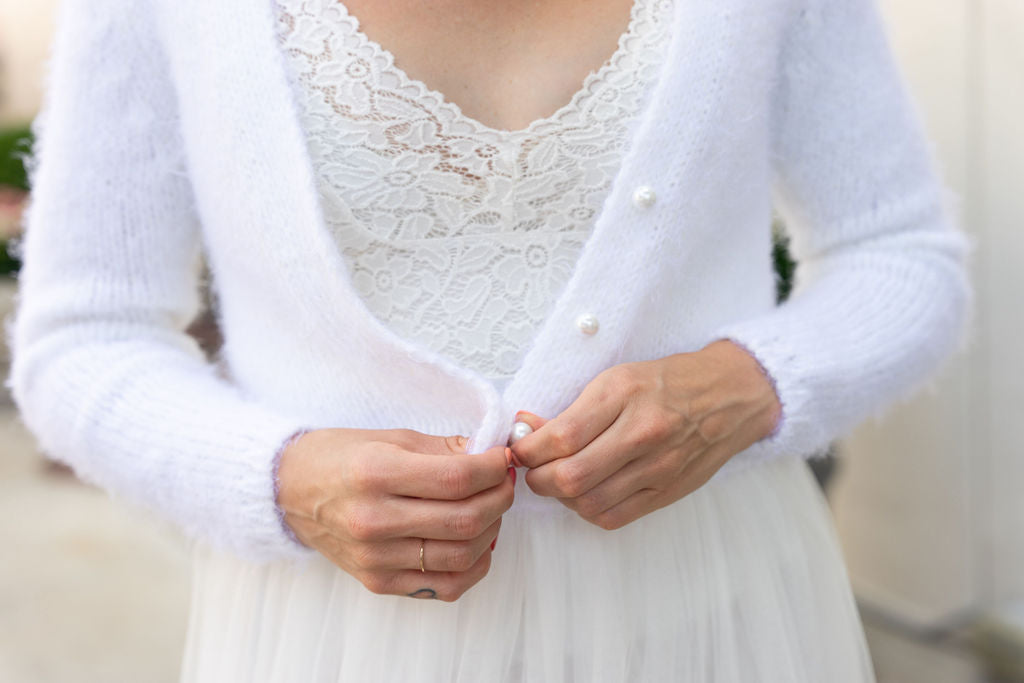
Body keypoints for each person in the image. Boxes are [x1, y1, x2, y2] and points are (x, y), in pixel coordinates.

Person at [7, 0, 971, 680]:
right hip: (341, 640)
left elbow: (901, 252)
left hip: (714, 608)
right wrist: (279, 477)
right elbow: (84, 336)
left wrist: (749, 383)